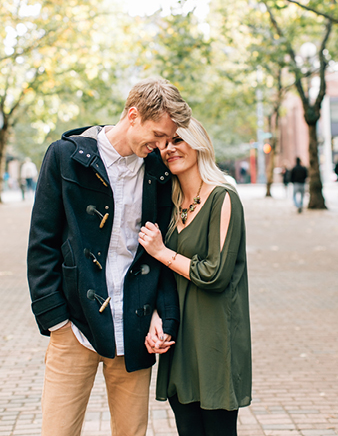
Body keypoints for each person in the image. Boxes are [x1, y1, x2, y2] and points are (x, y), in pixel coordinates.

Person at [27, 77, 191, 436]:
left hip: (134, 324)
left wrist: (163, 315)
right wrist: (56, 320)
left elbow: (161, 253)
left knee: (132, 432)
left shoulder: (158, 173)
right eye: (158, 134)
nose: (163, 146)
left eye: (168, 138)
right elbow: (42, 243)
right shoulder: (65, 157)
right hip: (74, 326)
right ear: (133, 115)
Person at [138, 118, 252, 436]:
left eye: (178, 141)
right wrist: (157, 318)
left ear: (198, 143)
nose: (169, 149)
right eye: (163, 144)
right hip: (180, 338)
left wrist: (161, 252)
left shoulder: (223, 197)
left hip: (215, 338)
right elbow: (163, 277)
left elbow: (215, 273)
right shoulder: (171, 206)